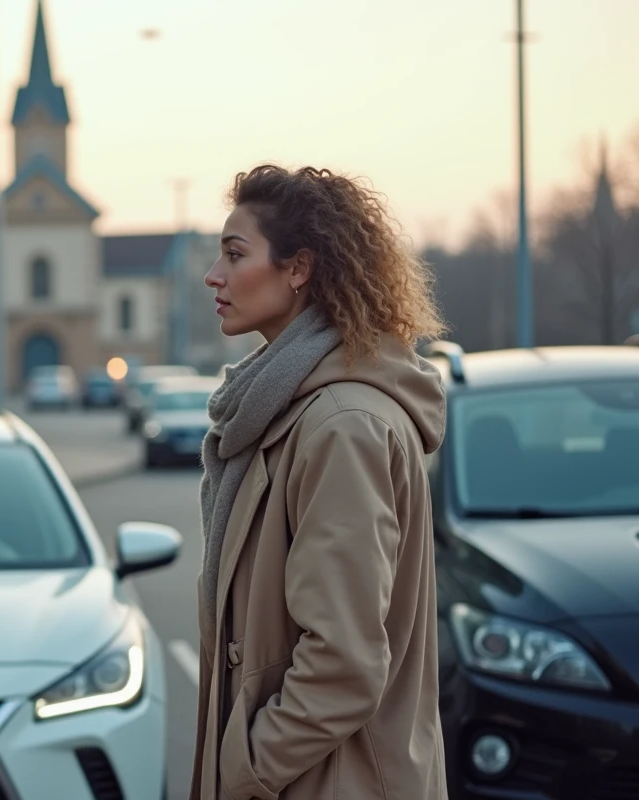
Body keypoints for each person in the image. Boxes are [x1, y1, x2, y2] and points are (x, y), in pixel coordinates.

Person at [191, 164, 449, 800]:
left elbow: (343, 662)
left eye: (234, 254)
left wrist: (244, 771)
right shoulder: (296, 410)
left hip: (331, 782)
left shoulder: (341, 426)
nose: (214, 275)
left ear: (298, 268)